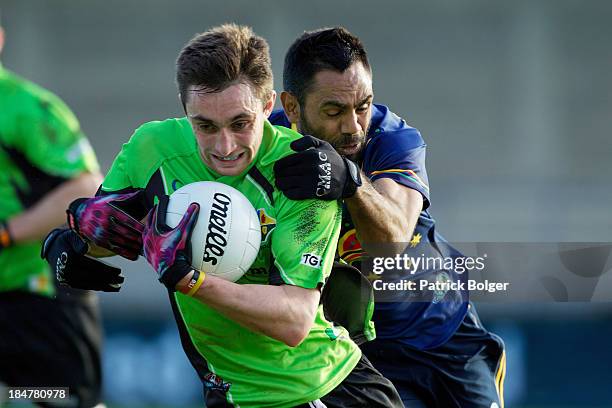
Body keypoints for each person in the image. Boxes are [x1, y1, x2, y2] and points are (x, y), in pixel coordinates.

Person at [42, 24, 403, 408]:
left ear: (267, 107)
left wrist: (191, 281)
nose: (225, 146)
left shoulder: (304, 170)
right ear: (185, 113)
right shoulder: (150, 148)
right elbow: (117, 232)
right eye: (205, 126)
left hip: (322, 389)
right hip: (229, 394)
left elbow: (295, 320)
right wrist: (73, 244)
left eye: (240, 123)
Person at [270, 27, 506, 408]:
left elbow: (392, 239)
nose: (353, 126)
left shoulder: (393, 139)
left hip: (446, 339)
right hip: (362, 355)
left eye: (362, 105)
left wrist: (347, 178)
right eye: (333, 111)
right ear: (293, 107)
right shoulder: (265, 146)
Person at [0, 21, 104, 408]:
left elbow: (88, 187)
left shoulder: (25, 107)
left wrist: (7, 233)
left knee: (58, 400)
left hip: (39, 300)